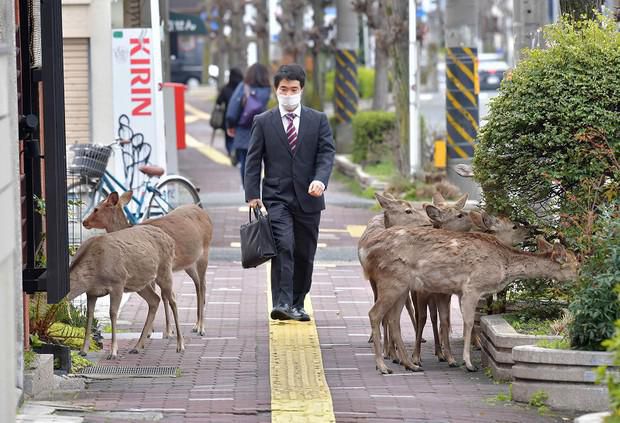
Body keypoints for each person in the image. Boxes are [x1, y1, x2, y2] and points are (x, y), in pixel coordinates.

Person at [244, 64, 336, 322]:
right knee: (284, 246)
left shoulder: (318, 120)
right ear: (276, 90)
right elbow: (253, 160)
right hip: (276, 197)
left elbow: (326, 154)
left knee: (305, 253)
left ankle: (297, 302)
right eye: (283, 89)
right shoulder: (263, 122)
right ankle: (282, 302)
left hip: (310, 197)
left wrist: (321, 180)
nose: (288, 93)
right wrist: (252, 193)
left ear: (301, 90)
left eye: (293, 89)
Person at [225, 63, 271, 185]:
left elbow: (233, 108)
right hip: (262, 129)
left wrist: (230, 125)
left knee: (245, 161)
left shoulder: (243, 87)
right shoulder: (267, 90)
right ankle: (258, 186)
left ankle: (248, 189)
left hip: (243, 130)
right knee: (259, 160)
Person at [215, 67, 244, 158]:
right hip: (241, 116)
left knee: (228, 136)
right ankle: (237, 153)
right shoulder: (243, 89)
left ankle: (230, 151)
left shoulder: (225, 88)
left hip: (228, 116)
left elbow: (218, 101)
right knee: (238, 136)